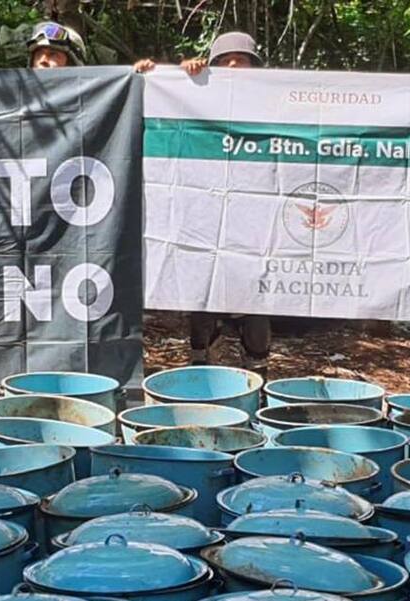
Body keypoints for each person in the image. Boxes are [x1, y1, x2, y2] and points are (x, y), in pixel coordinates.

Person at [135, 32, 273, 376]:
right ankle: (200, 367)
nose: (233, 66)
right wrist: (170, 79)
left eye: (241, 60)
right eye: (224, 61)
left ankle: (257, 371)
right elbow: (160, 113)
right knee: (203, 287)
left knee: (254, 295)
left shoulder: (271, 99)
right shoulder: (198, 91)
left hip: (253, 214)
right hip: (204, 210)